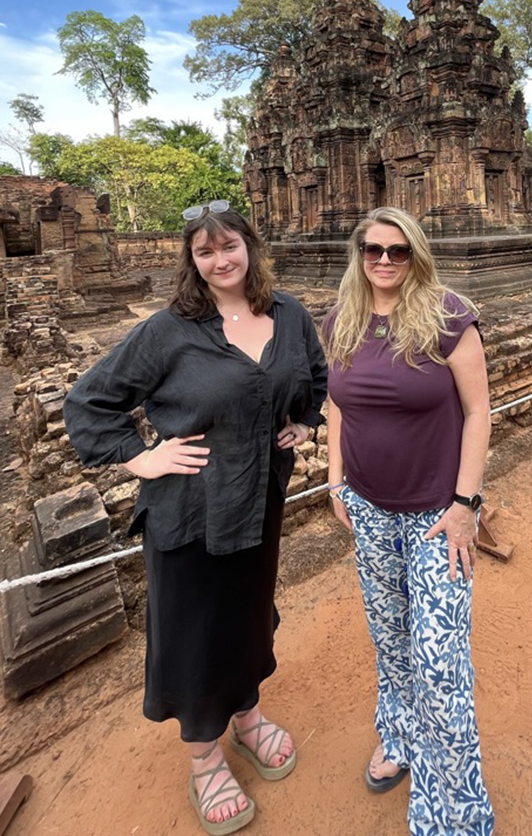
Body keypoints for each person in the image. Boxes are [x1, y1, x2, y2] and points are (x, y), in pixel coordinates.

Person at [64, 202, 327, 835]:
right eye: (205, 252)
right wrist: (141, 459)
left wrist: (300, 421)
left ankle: (247, 717)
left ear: (250, 246)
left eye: (229, 246)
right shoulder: (169, 330)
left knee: (248, 613)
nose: (220, 260)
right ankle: (205, 756)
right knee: (191, 629)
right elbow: (89, 403)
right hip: (189, 511)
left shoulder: (288, 314)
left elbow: (314, 377)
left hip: (259, 501)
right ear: (192, 260)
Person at [324, 206, 495, 836]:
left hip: (435, 515)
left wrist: (465, 505)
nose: (385, 262)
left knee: (439, 660)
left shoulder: (449, 315)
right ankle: (397, 733)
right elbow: (338, 402)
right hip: (368, 507)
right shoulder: (341, 317)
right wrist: (335, 477)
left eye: (398, 251)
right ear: (359, 255)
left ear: (416, 254)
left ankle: (454, 812)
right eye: (374, 251)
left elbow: (478, 412)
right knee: (392, 639)